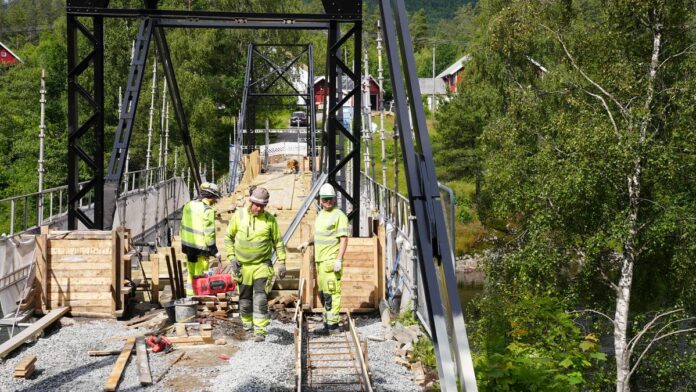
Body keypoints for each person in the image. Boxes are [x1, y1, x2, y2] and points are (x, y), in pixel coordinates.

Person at [225, 186, 287, 342]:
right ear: (250, 201)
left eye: (262, 206)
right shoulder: (238, 217)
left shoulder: (269, 220)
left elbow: (278, 242)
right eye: (256, 205)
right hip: (243, 267)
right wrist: (232, 258)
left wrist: (282, 262)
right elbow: (228, 239)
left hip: (261, 266)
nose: (258, 208)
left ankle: (260, 331)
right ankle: (248, 327)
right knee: (245, 300)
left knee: (260, 298)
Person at [298, 183, 349, 335]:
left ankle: (332, 327)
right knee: (324, 294)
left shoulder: (339, 216)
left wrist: (339, 259)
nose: (328, 202)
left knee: (332, 294)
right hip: (320, 262)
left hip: (331, 262)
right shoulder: (320, 215)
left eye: (330, 199)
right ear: (320, 200)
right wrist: (308, 242)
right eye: (325, 199)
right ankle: (328, 324)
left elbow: (344, 239)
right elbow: (319, 235)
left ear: (334, 199)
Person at [180, 182, 221, 296]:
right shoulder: (207, 210)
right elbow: (209, 233)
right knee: (200, 274)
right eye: (214, 198)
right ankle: (200, 296)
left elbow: (182, 225)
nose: (214, 201)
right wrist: (213, 249)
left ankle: (190, 295)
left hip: (188, 247)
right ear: (210, 196)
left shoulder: (188, 205)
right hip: (201, 249)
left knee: (190, 272)